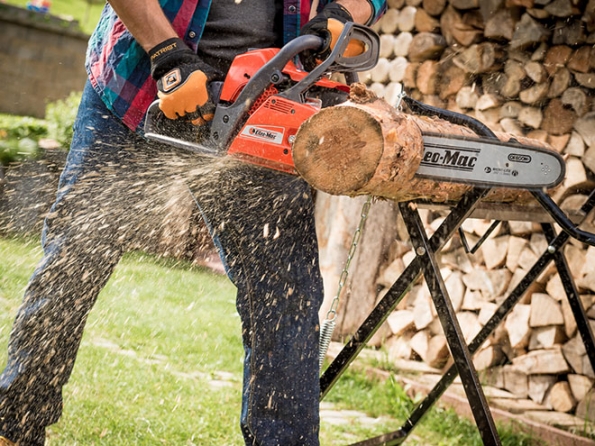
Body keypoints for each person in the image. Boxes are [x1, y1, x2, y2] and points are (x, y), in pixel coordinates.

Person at [0, 0, 385, 444]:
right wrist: (166, 54)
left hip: (267, 102)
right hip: (141, 83)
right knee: (74, 259)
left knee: (284, 296)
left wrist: (341, 11)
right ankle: (15, 427)